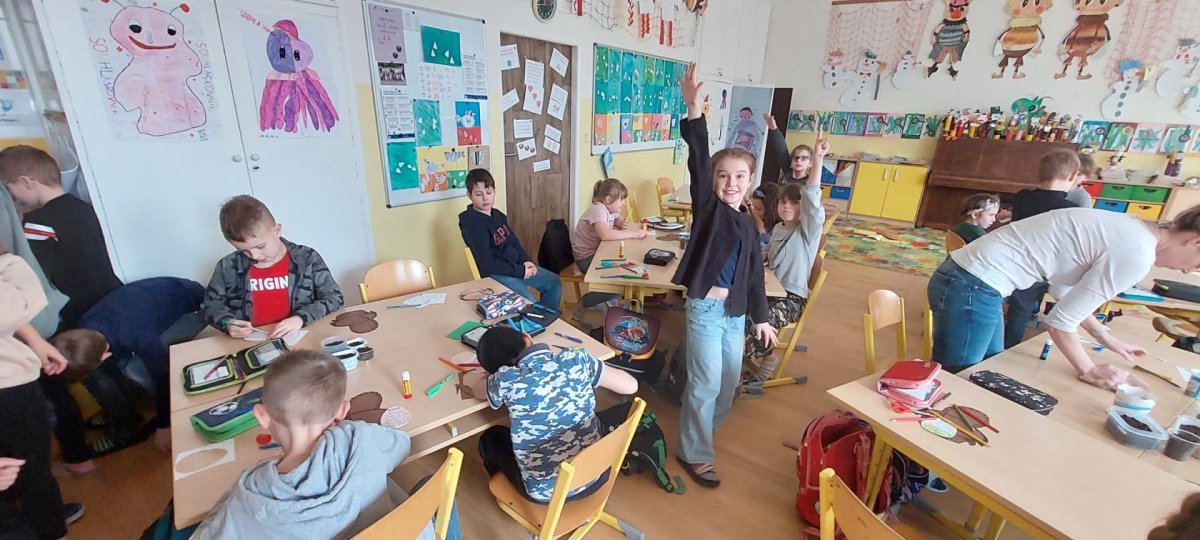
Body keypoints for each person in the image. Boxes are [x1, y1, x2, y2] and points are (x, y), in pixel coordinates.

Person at [928, 205, 1200, 386]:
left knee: (987, 366)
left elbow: (1064, 292)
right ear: (1196, 242)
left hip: (970, 280)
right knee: (958, 378)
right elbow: (1059, 323)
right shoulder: (1138, 253)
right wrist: (1090, 370)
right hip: (973, 284)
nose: (1189, 271)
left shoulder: (1133, 228)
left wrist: (1104, 336)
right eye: (1198, 264)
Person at [193, 349, 450, 539]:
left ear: (261, 415)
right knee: (429, 485)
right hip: (403, 532)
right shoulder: (361, 437)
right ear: (342, 411)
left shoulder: (251, 499)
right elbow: (401, 446)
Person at [671, 63, 775, 488]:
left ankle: (699, 432)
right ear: (713, 181)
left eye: (739, 177)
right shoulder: (709, 211)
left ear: (750, 181)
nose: (731, 183)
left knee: (728, 382)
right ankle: (694, 451)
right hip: (706, 310)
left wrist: (762, 317)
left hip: (735, 313)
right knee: (706, 383)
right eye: (723, 176)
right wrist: (694, 112)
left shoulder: (748, 223)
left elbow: (753, 277)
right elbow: (699, 160)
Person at [466, 326, 637, 503]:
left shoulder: (505, 379)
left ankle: (509, 492)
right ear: (527, 337)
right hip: (598, 472)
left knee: (490, 438)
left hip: (546, 493)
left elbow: (477, 390)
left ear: (499, 369)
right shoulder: (575, 359)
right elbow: (631, 386)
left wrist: (493, 376)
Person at [50, 277, 205, 454]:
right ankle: (124, 415)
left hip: (192, 306)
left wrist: (164, 425)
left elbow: (163, 376)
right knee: (102, 374)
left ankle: (127, 430)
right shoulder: (83, 328)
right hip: (146, 303)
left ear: (105, 355)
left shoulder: (136, 335)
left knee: (134, 370)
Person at [0, 251, 83, 539]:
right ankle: (48, 527)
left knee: (22, 466)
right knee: (30, 466)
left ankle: (41, 517)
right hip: (9, 385)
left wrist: (35, 340)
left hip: (12, 379)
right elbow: (20, 304)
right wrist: (9, 263)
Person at [0, 145, 122, 329]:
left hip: (73, 312)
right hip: (108, 300)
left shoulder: (38, 221)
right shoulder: (83, 207)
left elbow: (34, 275)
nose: (13, 199)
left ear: (26, 182)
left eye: (9, 189)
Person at [744, 140, 829, 382]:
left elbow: (812, 199)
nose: (787, 206)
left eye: (794, 203)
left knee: (761, 323)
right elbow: (768, 254)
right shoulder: (780, 228)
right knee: (739, 314)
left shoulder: (807, 232)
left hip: (791, 298)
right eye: (783, 202)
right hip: (770, 289)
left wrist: (818, 159)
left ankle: (764, 362)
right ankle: (743, 360)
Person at [202, 195, 343, 341]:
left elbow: (334, 297)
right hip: (248, 342)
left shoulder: (307, 259)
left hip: (300, 337)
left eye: (260, 246)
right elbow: (210, 306)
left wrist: (301, 318)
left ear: (277, 231)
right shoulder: (228, 266)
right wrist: (227, 322)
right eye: (244, 250)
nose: (255, 255)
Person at [1003, 150, 1085, 349]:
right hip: (1040, 267)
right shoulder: (1070, 209)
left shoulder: (1022, 196)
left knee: (1017, 305)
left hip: (1013, 258)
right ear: (1073, 176)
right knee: (1021, 310)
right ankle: (1009, 346)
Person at [459, 169, 561, 308]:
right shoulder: (472, 223)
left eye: (488, 192)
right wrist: (521, 271)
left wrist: (525, 261)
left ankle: (546, 316)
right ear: (469, 195)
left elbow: (513, 241)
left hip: (515, 267)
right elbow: (487, 263)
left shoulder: (498, 215)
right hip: (495, 274)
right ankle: (535, 318)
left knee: (553, 281)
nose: (485, 198)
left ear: (494, 191)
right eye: (479, 194)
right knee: (528, 300)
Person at [571, 178, 646, 323]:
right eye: (621, 200)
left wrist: (620, 222)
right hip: (586, 259)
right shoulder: (598, 209)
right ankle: (586, 302)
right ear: (608, 199)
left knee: (623, 274)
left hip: (598, 254)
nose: (623, 204)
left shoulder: (608, 209)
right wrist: (633, 234)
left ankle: (614, 307)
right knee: (618, 284)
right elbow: (605, 235)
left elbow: (616, 218)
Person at [763, 114, 835, 186]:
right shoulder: (788, 174)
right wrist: (774, 128)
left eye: (804, 158)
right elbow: (781, 151)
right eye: (796, 158)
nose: (798, 161)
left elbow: (815, 184)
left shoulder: (810, 181)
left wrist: (819, 155)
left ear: (810, 163)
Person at [748, 183, 781, 248]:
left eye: (759, 209)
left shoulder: (779, 229)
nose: (754, 212)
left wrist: (761, 232)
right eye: (753, 207)